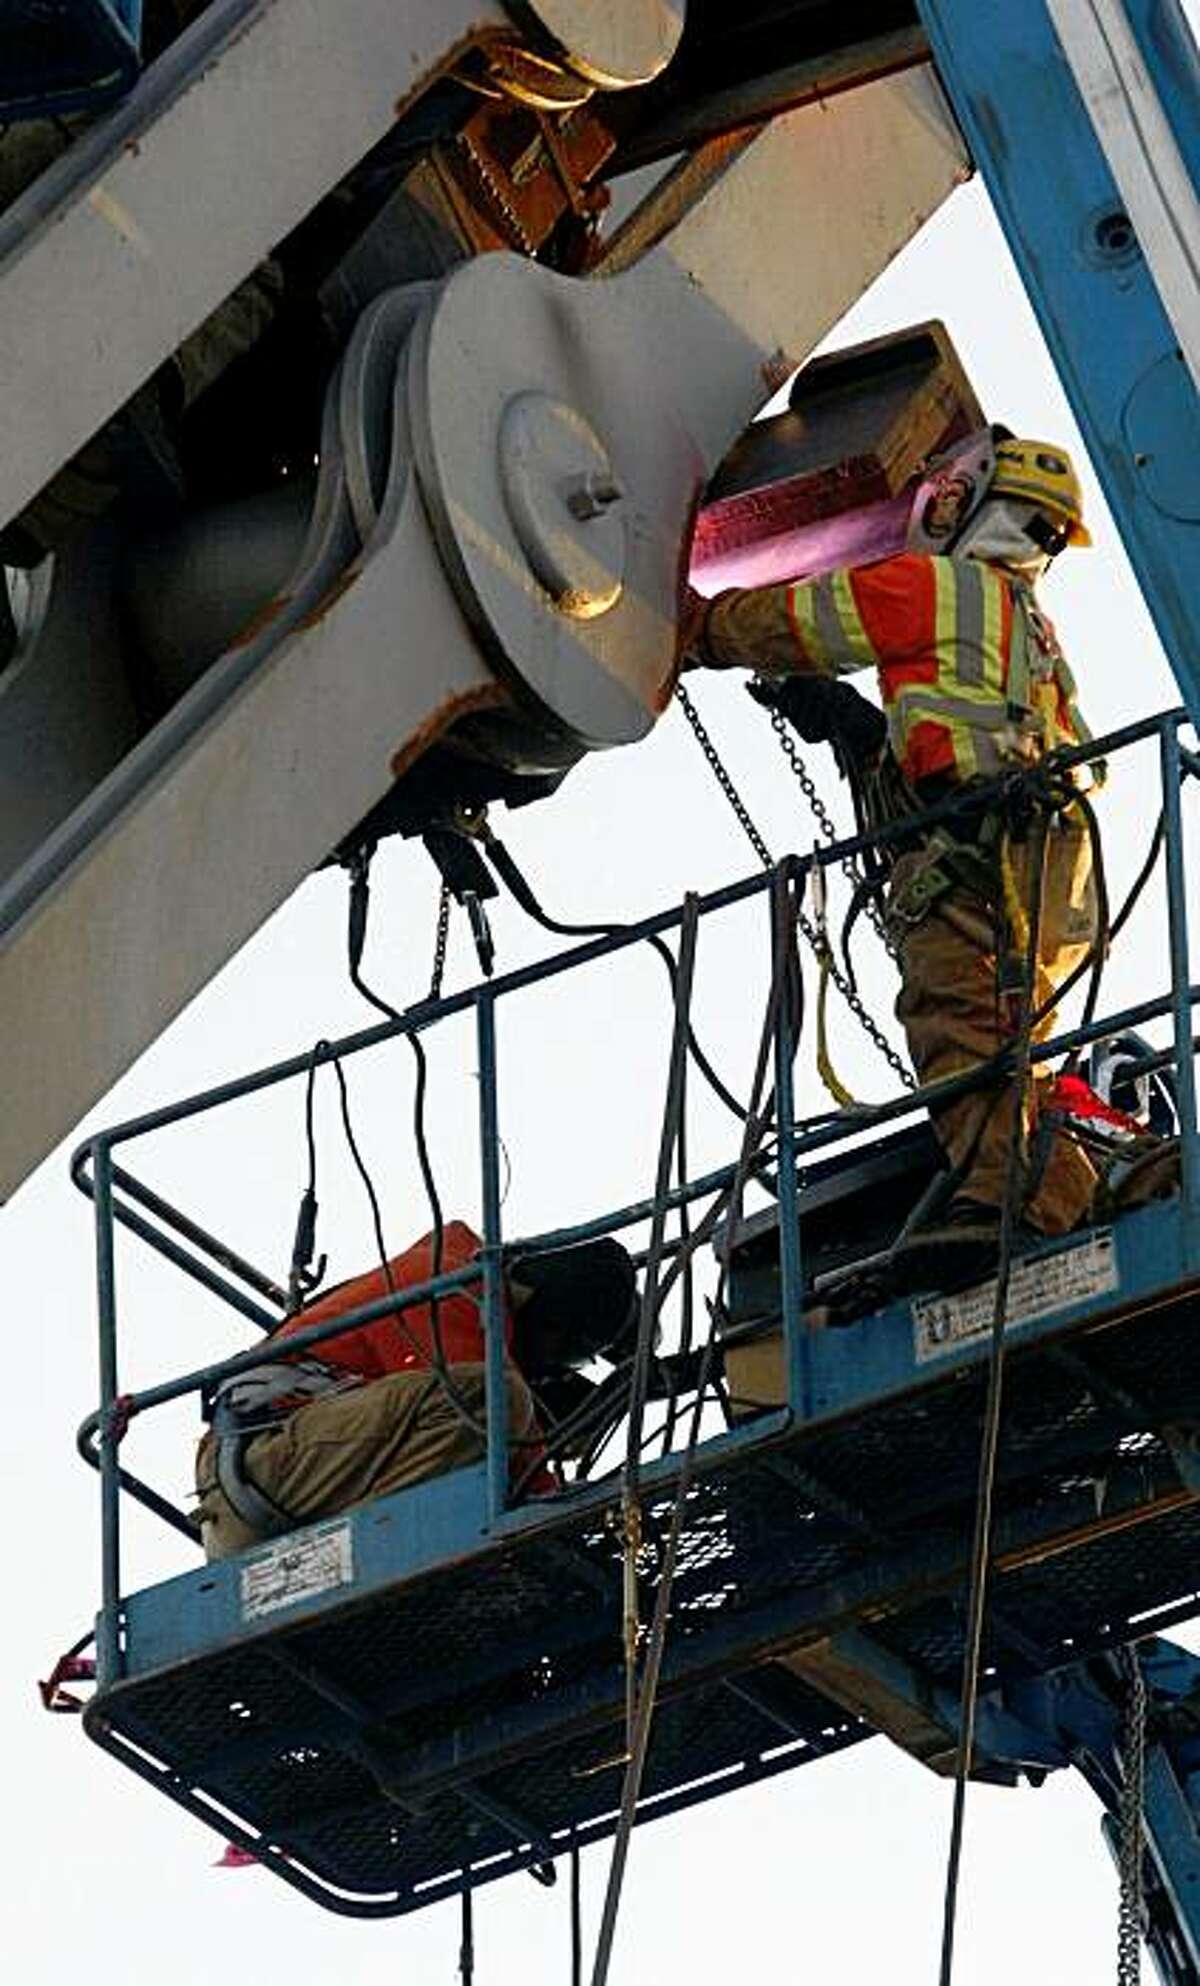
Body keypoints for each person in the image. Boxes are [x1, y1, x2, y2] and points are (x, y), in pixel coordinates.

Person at [688, 429, 1105, 1286]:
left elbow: (806, 619)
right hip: (1057, 863)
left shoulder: (939, 584)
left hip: (979, 853)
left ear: (962, 501)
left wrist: (698, 628)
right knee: (1014, 1048)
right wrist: (856, 728)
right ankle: (1065, 1196)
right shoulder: (1026, 628)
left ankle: (998, 1205)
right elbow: (965, 729)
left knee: (958, 1021)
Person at [195, 1221, 636, 1559]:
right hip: (263, 1464)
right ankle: (371, 1551)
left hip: (270, 1488)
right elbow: (495, 1423)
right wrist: (560, 1516)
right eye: (569, 1354)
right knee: (491, 1398)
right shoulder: (457, 1285)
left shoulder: (456, 1287)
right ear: (548, 1309)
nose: (556, 1367)